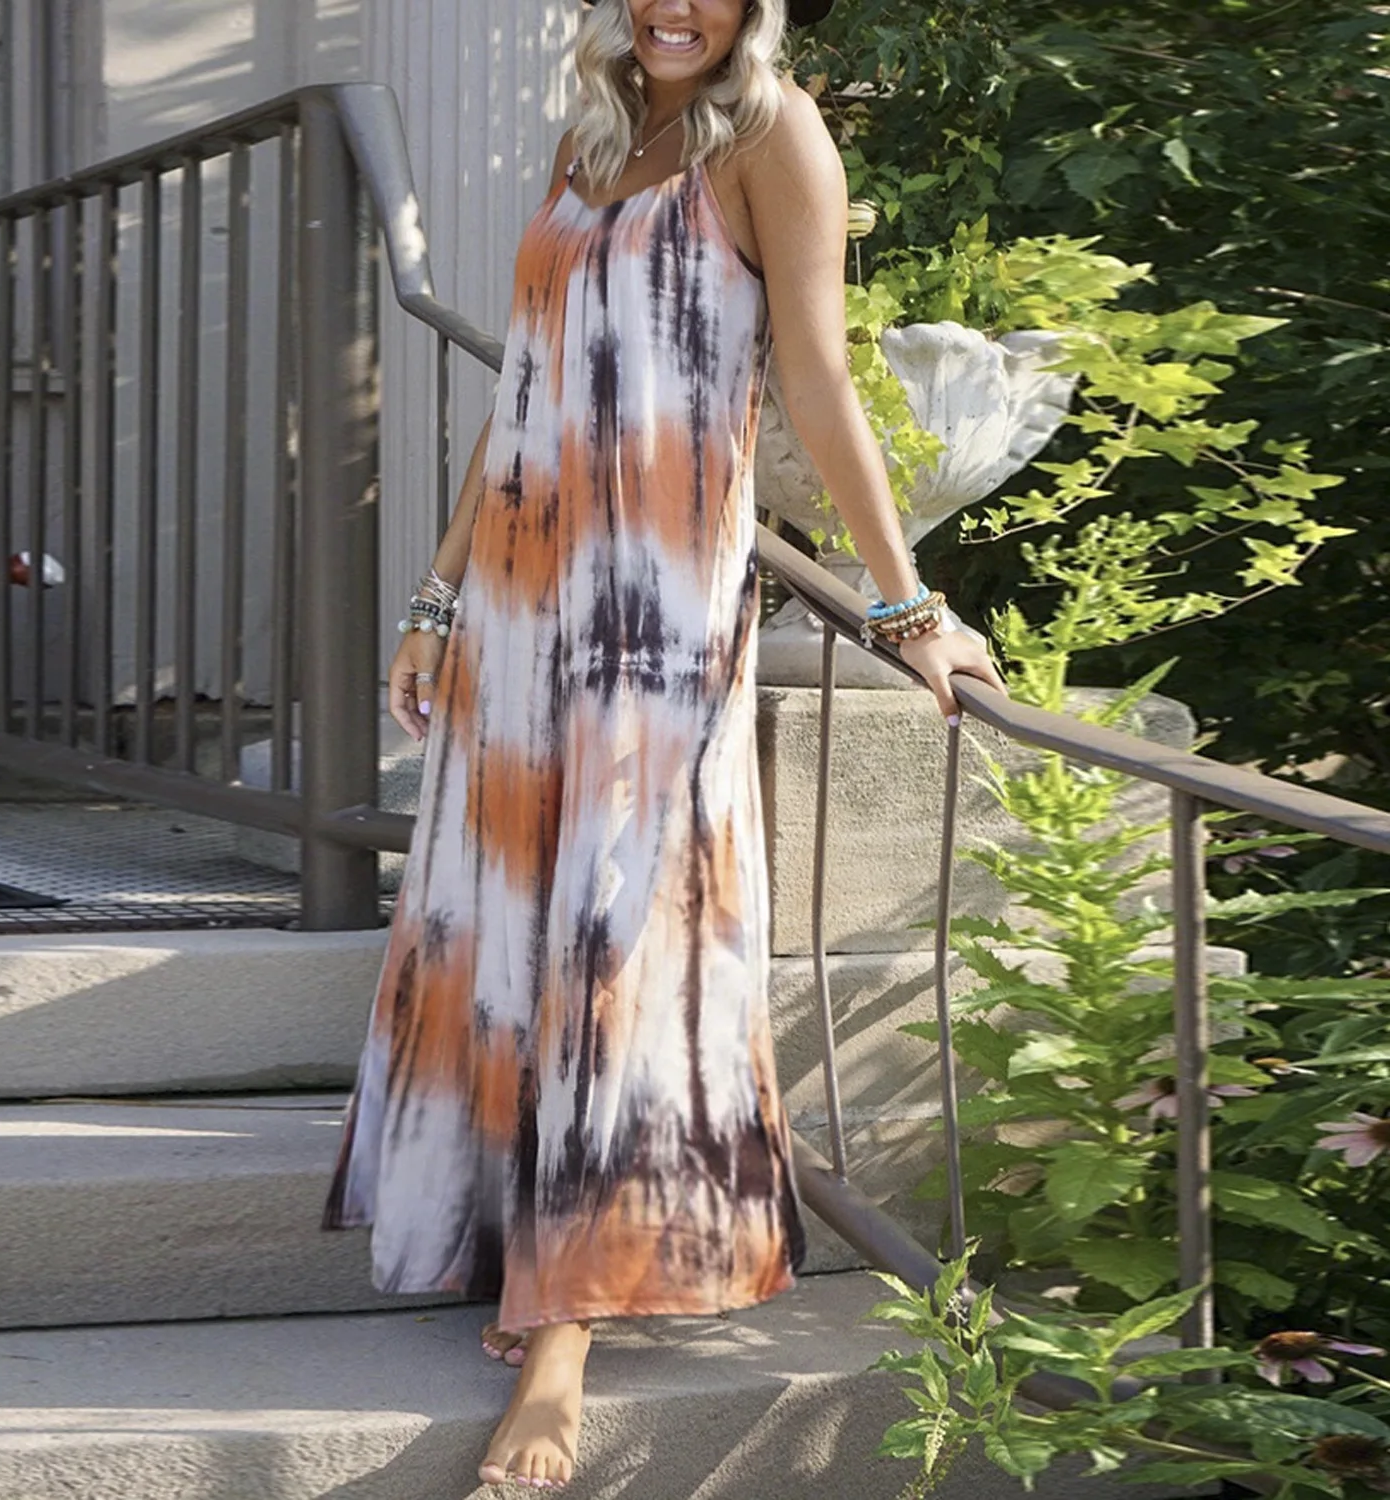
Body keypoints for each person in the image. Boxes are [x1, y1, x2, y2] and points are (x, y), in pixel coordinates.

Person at [322, 0, 1007, 1489]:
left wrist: (906, 605)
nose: (671, 6)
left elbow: (816, 376)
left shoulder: (774, 133)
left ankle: (563, 1326)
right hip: (522, 595)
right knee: (507, 915)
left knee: (617, 927)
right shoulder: (593, 131)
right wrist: (437, 597)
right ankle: (506, 1230)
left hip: (655, 602)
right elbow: (525, 388)